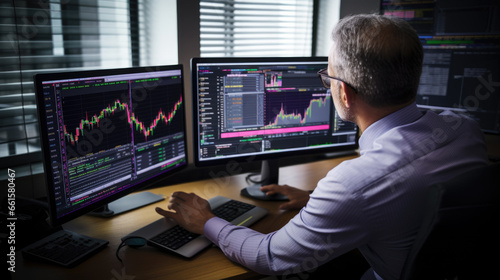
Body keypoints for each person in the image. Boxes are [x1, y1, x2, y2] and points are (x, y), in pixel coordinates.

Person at [155, 14, 489, 279]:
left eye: (326, 78)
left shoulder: (354, 184)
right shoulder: (464, 128)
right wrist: (318, 200)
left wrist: (206, 221)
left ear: (344, 93)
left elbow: (267, 256)